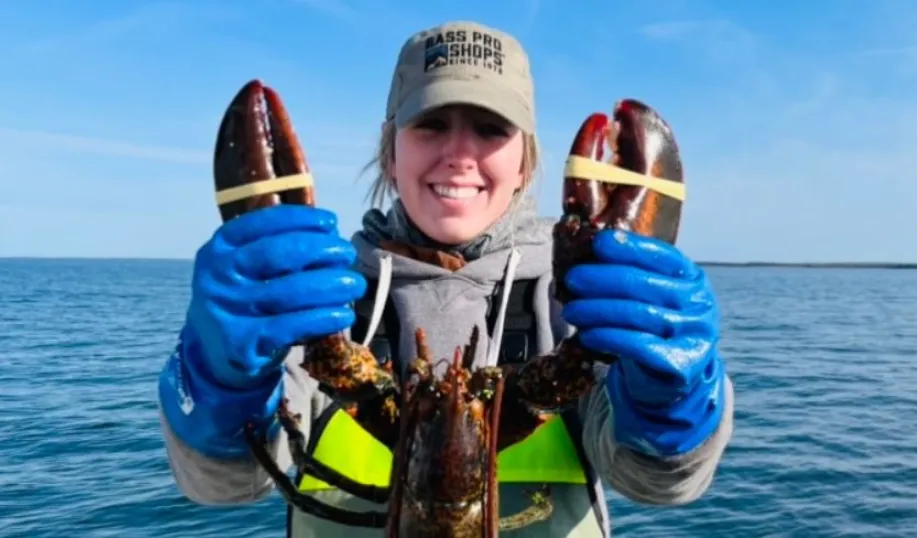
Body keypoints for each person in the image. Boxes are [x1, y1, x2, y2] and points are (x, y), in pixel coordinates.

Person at [157, 19, 734, 538]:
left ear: (524, 162)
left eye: (490, 129)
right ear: (391, 152)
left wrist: (673, 400)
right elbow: (224, 485)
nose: (459, 153)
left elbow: (660, 484)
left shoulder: (580, 303)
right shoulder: (315, 302)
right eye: (431, 124)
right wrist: (218, 384)